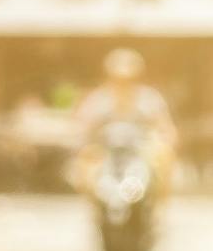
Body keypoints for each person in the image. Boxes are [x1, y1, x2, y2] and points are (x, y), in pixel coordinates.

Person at [70, 48, 177, 191]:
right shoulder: (98, 99)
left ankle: (158, 202)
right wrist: (85, 144)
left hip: (141, 148)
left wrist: (165, 141)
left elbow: (164, 125)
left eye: (128, 79)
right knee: (86, 165)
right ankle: (93, 200)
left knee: (164, 159)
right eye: (118, 78)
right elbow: (83, 125)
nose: (123, 82)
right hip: (105, 148)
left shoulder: (149, 98)